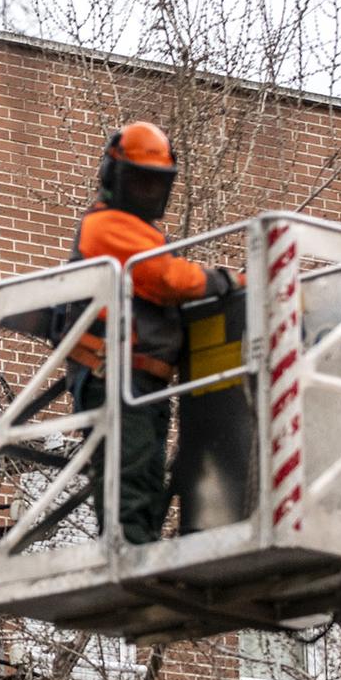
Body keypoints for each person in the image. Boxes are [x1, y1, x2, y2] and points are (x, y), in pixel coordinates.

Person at [67, 121, 238, 544]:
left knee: (145, 473)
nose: (146, 191)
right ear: (114, 177)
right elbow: (167, 278)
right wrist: (229, 282)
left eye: (153, 183)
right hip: (115, 378)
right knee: (130, 470)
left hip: (142, 382)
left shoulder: (143, 234)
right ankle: (128, 547)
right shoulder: (105, 226)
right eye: (138, 180)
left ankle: (137, 542)